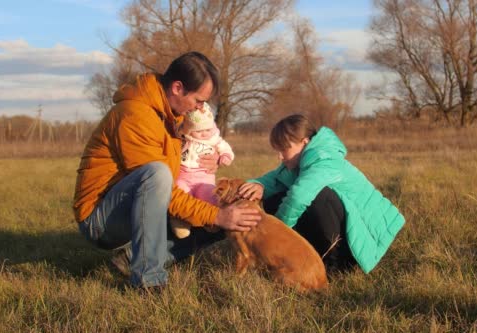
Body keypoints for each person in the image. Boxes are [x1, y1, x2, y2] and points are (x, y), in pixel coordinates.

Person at [74, 51, 261, 291]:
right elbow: (159, 184)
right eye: (199, 100)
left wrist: (209, 160)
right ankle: (148, 281)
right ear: (177, 87)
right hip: (100, 220)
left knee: (220, 209)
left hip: (137, 205)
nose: (201, 108)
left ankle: (132, 258)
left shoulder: (170, 116)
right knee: (160, 176)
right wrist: (216, 216)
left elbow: (174, 173)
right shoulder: (135, 116)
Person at [238, 114, 405, 273]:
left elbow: (298, 197)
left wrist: (276, 234)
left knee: (319, 197)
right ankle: (294, 254)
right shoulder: (299, 162)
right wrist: (260, 185)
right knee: (275, 198)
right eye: (277, 150)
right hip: (348, 228)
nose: (280, 156)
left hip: (365, 237)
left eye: (284, 149)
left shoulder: (325, 160)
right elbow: (277, 177)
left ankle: (337, 264)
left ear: (304, 142)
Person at [170, 101, 235, 239]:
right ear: (189, 130)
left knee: (209, 195)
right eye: (199, 131)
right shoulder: (184, 139)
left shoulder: (214, 139)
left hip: (204, 178)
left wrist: (223, 157)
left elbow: (225, 148)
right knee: (180, 192)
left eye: (207, 129)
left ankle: (212, 221)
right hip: (183, 176)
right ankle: (180, 222)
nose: (204, 133)